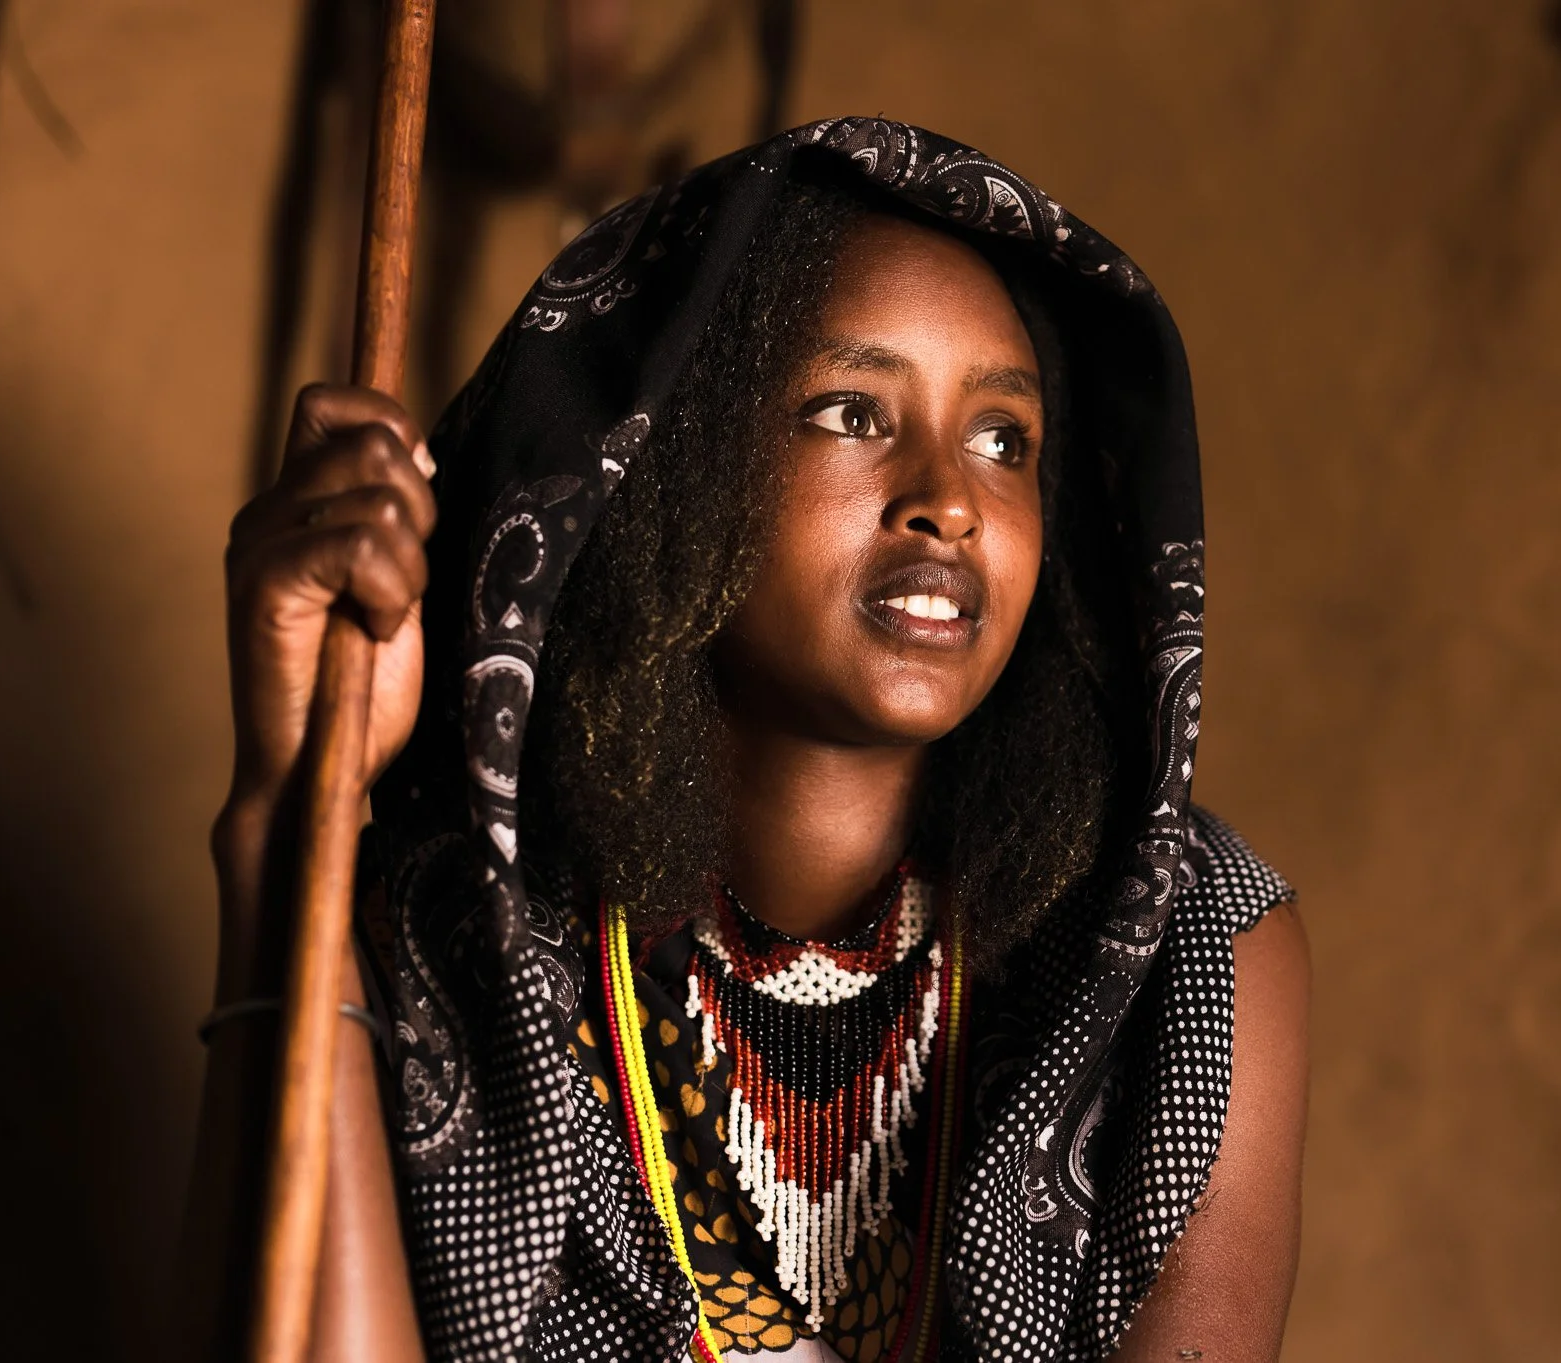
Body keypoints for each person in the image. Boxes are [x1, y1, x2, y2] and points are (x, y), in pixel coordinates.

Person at [177, 118, 1309, 1363]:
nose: (949, 499)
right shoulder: (463, 925)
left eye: (1003, 439)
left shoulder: (1181, 951)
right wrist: (294, 810)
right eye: (850, 412)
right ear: (671, 471)